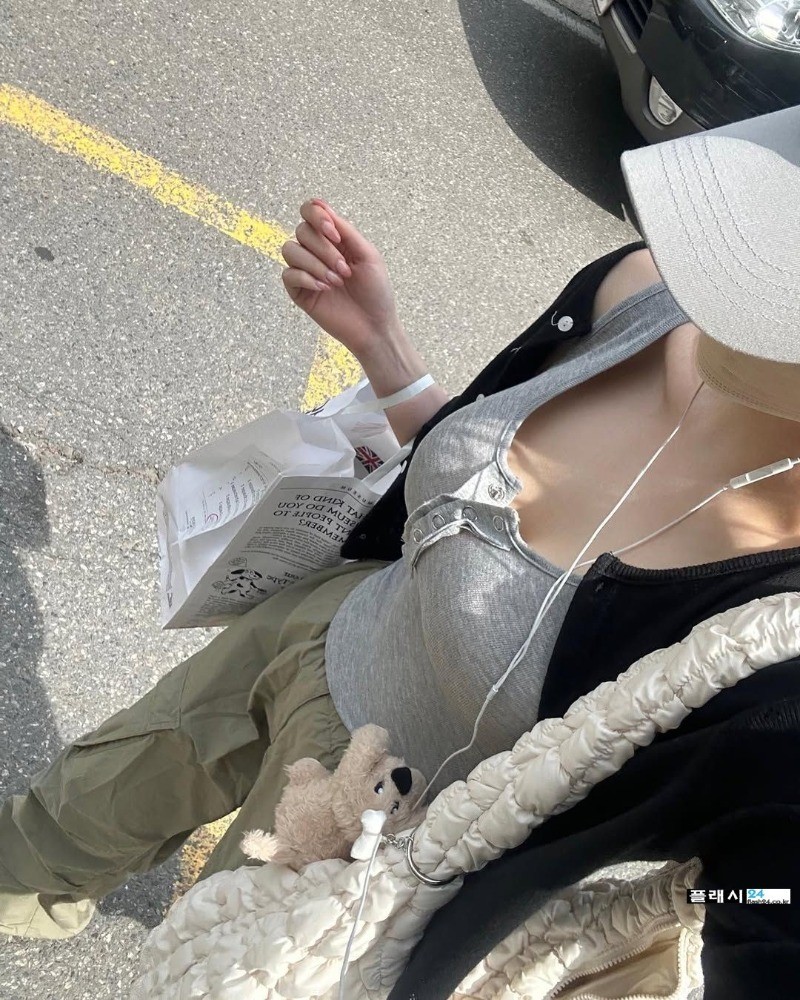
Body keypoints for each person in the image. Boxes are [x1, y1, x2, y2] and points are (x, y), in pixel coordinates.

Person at [2, 107, 799, 999]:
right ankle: (26, 894)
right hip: (322, 624)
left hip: (366, 827)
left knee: (210, 960)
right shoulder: (644, 289)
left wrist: (661, 914)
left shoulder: (771, 640)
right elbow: (471, 463)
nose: (734, 270)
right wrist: (383, 347)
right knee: (82, 805)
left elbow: (769, 902)